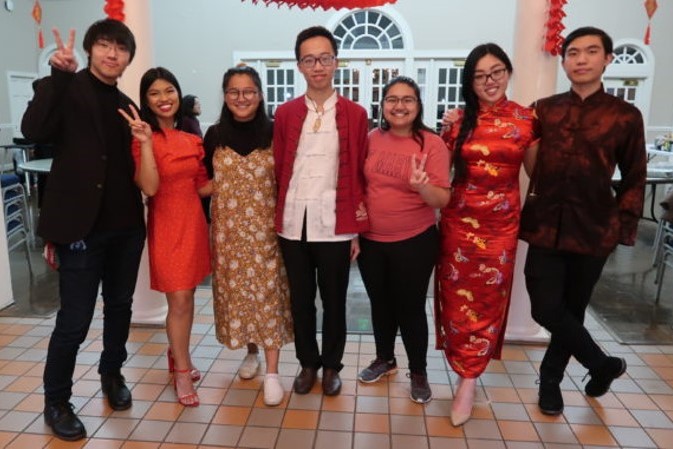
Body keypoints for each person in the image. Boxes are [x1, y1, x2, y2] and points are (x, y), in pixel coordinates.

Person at [21, 20, 143, 441]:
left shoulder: (129, 105)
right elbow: (33, 131)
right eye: (104, 45)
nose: (112, 54)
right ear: (90, 50)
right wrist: (58, 75)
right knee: (73, 321)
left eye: (120, 48)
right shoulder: (64, 88)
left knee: (120, 307)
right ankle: (56, 401)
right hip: (81, 230)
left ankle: (112, 373)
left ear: (129, 56)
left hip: (126, 227)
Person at [519, 27, 646, 416]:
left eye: (591, 52)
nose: (581, 59)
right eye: (573, 53)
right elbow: (519, 147)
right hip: (544, 225)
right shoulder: (544, 109)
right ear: (564, 61)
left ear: (607, 58)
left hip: (593, 229)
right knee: (545, 308)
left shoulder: (625, 116)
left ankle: (551, 382)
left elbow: (634, 176)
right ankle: (602, 364)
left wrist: (619, 230)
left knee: (572, 310)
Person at [434, 43, 538, 426]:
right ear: (470, 82)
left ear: (508, 72)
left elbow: (537, 175)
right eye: (479, 76)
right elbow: (440, 173)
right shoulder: (458, 121)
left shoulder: (527, 120)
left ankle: (469, 379)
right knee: (456, 300)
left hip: (500, 229)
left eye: (496, 72)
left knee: (489, 301)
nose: (489, 81)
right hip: (458, 224)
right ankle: (461, 368)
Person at [274, 26, 370, 396]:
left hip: (335, 224)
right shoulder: (285, 113)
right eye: (309, 59)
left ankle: (332, 365)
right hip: (292, 224)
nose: (318, 66)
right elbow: (281, 166)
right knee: (301, 301)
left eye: (325, 57)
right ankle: (307, 363)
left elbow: (359, 171)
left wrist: (356, 229)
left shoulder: (355, 114)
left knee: (334, 300)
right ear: (299, 65)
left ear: (336, 62)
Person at [119, 67, 211, 408]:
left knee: (188, 299)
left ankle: (177, 355)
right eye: (155, 93)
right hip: (167, 226)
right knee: (181, 301)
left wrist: (239, 173)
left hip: (194, 225)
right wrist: (144, 144)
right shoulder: (142, 139)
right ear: (146, 100)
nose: (164, 98)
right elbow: (150, 187)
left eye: (169, 90)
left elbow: (202, 186)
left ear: (178, 93)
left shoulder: (193, 139)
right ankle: (182, 371)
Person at [204, 65, 293, 406]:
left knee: (268, 296)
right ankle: (251, 352)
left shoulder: (275, 132)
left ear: (259, 95)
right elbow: (201, 180)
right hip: (227, 235)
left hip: (267, 233)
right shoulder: (213, 134)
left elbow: (286, 178)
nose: (241, 99)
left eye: (249, 92)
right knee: (239, 295)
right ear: (226, 96)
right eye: (234, 92)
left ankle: (272, 372)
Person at [357, 76, 450, 404]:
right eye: (392, 99)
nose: (399, 106)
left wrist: (420, 186)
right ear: (382, 106)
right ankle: (385, 359)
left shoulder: (431, 144)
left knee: (409, 308)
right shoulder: (369, 138)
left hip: (415, 240)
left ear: (418, 105)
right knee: (380, 304)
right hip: (371, 241)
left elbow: (441, 199)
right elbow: (358, 185)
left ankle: (419, 371)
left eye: (407, 99)